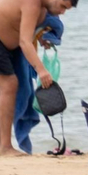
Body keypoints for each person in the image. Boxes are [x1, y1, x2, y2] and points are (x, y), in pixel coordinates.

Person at [0, 0, 78, 156]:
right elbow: (24, 41)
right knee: (9, 84)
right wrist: (41, 70)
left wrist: (42, 36)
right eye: (63, 6)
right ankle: (5, 146)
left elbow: (27, 27)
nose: (62, 12)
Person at [14, 14, 66, 154]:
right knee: (23, 93)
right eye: (48, 39)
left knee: (26, 93)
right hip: (15, 51)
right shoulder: (30, 32)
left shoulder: (35, 34)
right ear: (44, 29)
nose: (47, 44)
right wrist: (41, 70)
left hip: (22, 52)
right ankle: (15, 142)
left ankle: (20, 142)